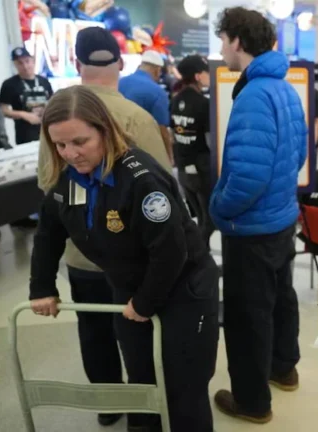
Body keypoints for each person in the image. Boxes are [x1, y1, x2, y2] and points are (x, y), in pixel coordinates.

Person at [30, 85, 219, 432]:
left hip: (184, 289)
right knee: (141, 380)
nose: (70, 154)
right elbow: (48, 233)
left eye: (80, 142)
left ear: (105, 130)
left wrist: (145, 303)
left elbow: (170, 251)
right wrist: (42, 286)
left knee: (183, 386)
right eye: (60, 144)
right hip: (130, 286)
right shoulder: (70, 180)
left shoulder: (139, 179)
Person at [36, 26, 172, 428]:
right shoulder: (138, 117)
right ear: (121, 63)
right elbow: (163, 193)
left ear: (77, 64)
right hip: (132, 261)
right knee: (136, 337)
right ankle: (141, 408)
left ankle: (107, 402)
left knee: (92, 331)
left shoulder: (56, 119)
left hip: (81, 254)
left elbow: (48, 186)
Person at [210, 7, 307, 424]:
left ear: (236, 40)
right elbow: (299, 152)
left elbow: (247, 178)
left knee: (248, 314)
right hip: (281, 216)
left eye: (222, 40)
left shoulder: (252, 95)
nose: (220, 50)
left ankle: (252, 401)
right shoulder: (283, 88)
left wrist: (219, 207)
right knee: (281, 297)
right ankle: (283, 367)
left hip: (251, 227)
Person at [171, 54, 214, 250]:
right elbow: (209, 140)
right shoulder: (203, 104)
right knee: (209, 221)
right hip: (200, 170)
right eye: (206, 72)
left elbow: (174, 134)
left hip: (182, 169)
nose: (208, 76)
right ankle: (200, 259)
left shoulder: (175, 100)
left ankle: (196, 257)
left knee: (198, 217)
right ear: (198, 76)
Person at [118, 50, 173, 165]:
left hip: (118, 150)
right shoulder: (157, 92)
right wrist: (169, 157)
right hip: (144, 155)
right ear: (157, 70)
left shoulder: (119, 83)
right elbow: (162, 130)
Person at [0, 47, 53, 145]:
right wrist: (23, 115)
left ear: (33, 61)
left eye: (27, 61)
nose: (25, 66)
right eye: (20, 63)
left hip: (48, 130)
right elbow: (3, 110)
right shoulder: (9, 84)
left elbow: (52, 102)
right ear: (15, 64)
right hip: (25, 135)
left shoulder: (44, 81)